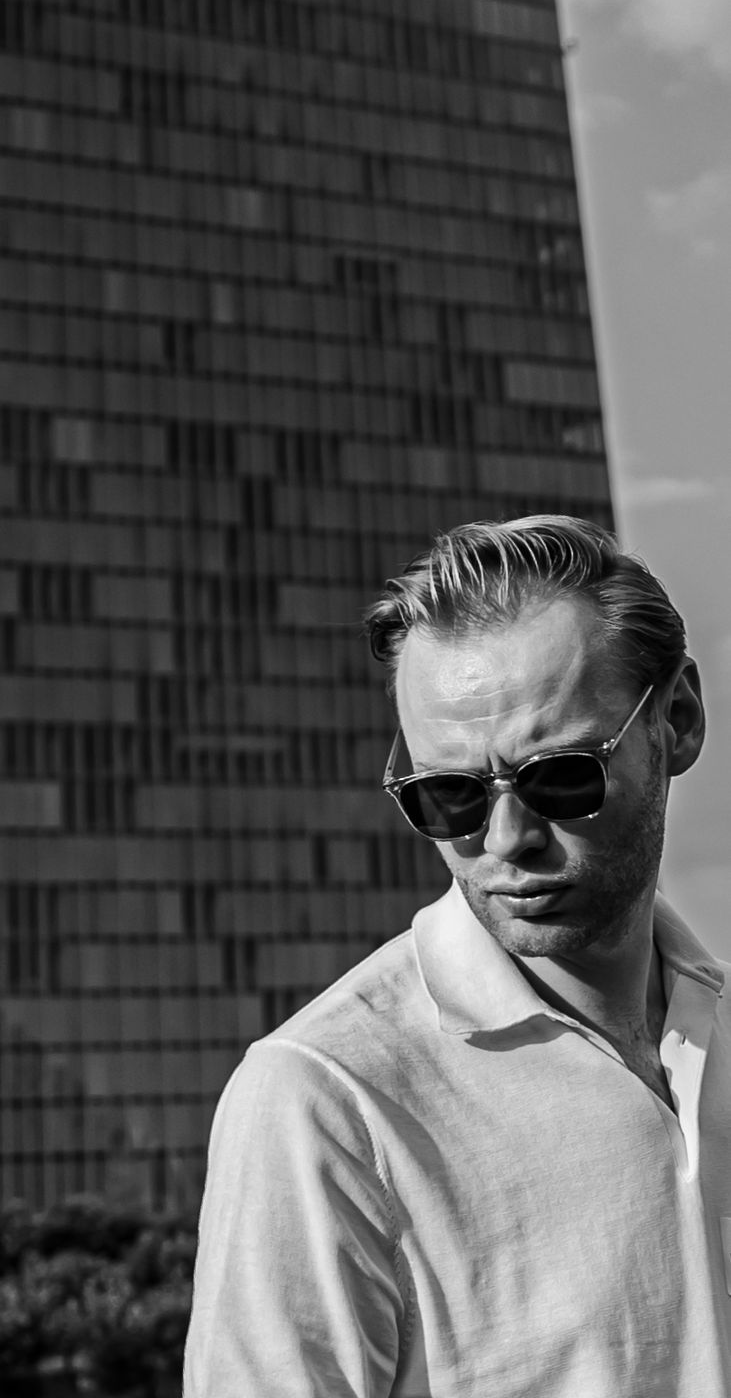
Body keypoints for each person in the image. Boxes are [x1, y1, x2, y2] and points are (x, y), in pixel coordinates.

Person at [183, 515, 731, 1396]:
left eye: (561, 777)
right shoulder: (325, 1097)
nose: (505, 839)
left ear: (677, 721)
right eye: (449, 796)